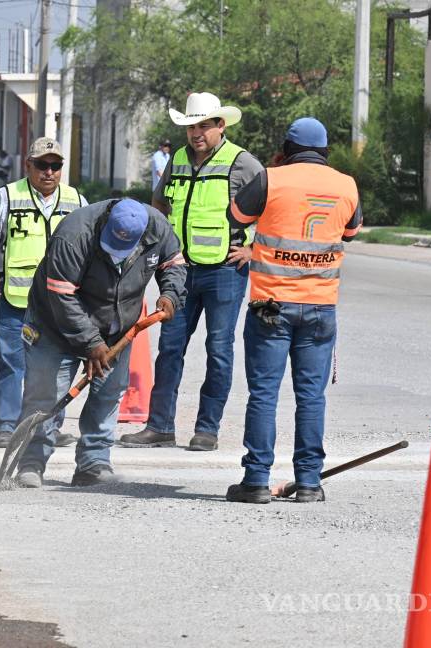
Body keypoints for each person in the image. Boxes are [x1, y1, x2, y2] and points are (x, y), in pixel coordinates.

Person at [224, 117, 361, 504]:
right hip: (319, 307)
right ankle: (309, 483)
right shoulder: (346, 184)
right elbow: (351, 231)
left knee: (264, 394)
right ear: (325, 151)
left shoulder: (271, 178)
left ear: (286, 147)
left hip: (271, 306)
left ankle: (255, 481)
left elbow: (236, 217)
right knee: (311, 397)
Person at [118, 92, 264, 452]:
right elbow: (158, 201)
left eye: (203, 125)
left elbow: (273, 209)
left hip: (224, 272)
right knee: (169, 349)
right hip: (180, 272)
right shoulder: (178, 159)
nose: (196, 133)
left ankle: (207, 428)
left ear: (220, 125)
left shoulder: (243, 163)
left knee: (219, 349)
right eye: (190, 126)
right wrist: (160, 243)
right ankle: (160, 426)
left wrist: (253, 249)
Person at [14, 198, 186, 488]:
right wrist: (91, 343)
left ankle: (93, 462)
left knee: (107, 394)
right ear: (105, 224)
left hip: (117, 327)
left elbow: (174, 264)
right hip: (56, 325)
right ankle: (31, 462)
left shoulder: (157, 227)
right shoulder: (74, 235)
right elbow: (61, 297)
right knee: (46, 395)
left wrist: (170, 294)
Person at [0, 137, 87, 449]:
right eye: (42, 165)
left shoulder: (76, 200)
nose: (49, 172)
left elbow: (91, 247)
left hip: (60, 302)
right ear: (29, 166)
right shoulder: (8, 196)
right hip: (15, 298)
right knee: (12, 363)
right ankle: (8, 426)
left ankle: (47, 425)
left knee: (55, 366)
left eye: (56, 166)